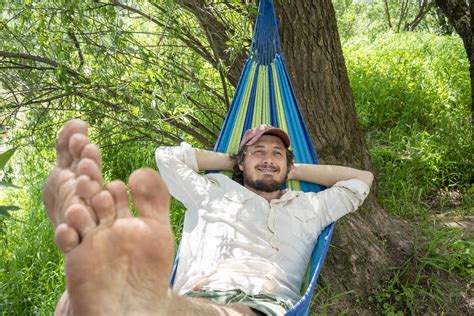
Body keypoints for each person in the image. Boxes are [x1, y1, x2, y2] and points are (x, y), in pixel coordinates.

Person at [43, 119, 373, 315]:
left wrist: (290, 168)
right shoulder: (212, 189)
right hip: (202, 291)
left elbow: (361, 179)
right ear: (241, 163)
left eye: (277, 155)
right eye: (259, 152)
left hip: (262, 302)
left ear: (289, 165)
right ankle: (141, 303)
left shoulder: (310, 206)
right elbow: (168, 157)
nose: (269, 160)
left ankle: (146, 306)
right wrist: (234, 161)